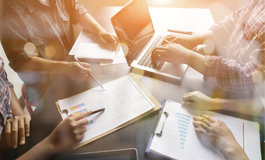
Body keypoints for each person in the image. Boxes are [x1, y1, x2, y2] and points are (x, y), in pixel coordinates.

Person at [1, 0, 118, 103]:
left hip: (74, 68)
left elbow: (76, 10)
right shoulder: (10, 11)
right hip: (46, 87)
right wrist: (65, 68)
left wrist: (99, 31)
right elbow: (22, 62)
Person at [152, 0, 265, 98]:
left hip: (237, 100)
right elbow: (236, 20)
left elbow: (249, 79)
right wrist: (194, 39)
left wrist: (188, 57)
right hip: (222, 68)